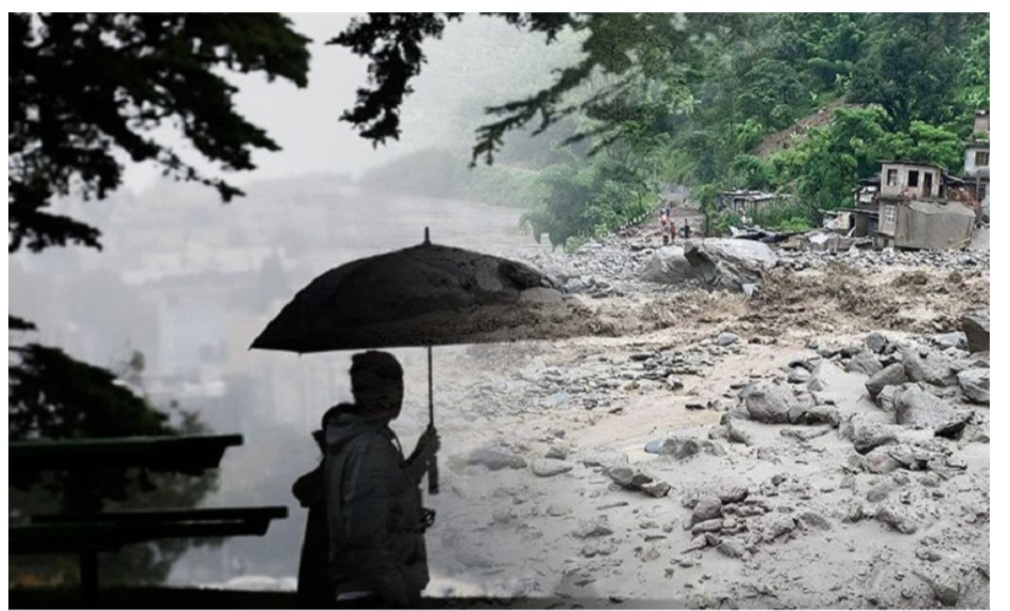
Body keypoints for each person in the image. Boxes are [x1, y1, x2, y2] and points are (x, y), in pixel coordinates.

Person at [323, 351, 440, 608]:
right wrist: (397, 591)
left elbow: (390, 492)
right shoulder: (371, 449)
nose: (401, 393)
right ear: (384, 391)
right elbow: (365, 536)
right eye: (397, 384)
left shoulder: (361, 442)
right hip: (376, 596)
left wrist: (421, 456)